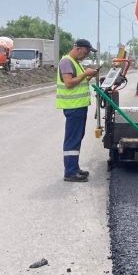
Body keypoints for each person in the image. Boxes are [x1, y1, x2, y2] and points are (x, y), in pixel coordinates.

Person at [56, 39, 99, 182]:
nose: (86, 56)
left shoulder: (75, 63)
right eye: (85, 53)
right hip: (73, 107)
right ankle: (70, 172)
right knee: (72, 139)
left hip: (78, 106)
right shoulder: (66, 62)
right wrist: (85, 74)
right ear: (78, 48)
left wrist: (89, 75)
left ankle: (74, 168)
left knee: (77, 137)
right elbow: (69, 83)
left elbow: (78, 82)